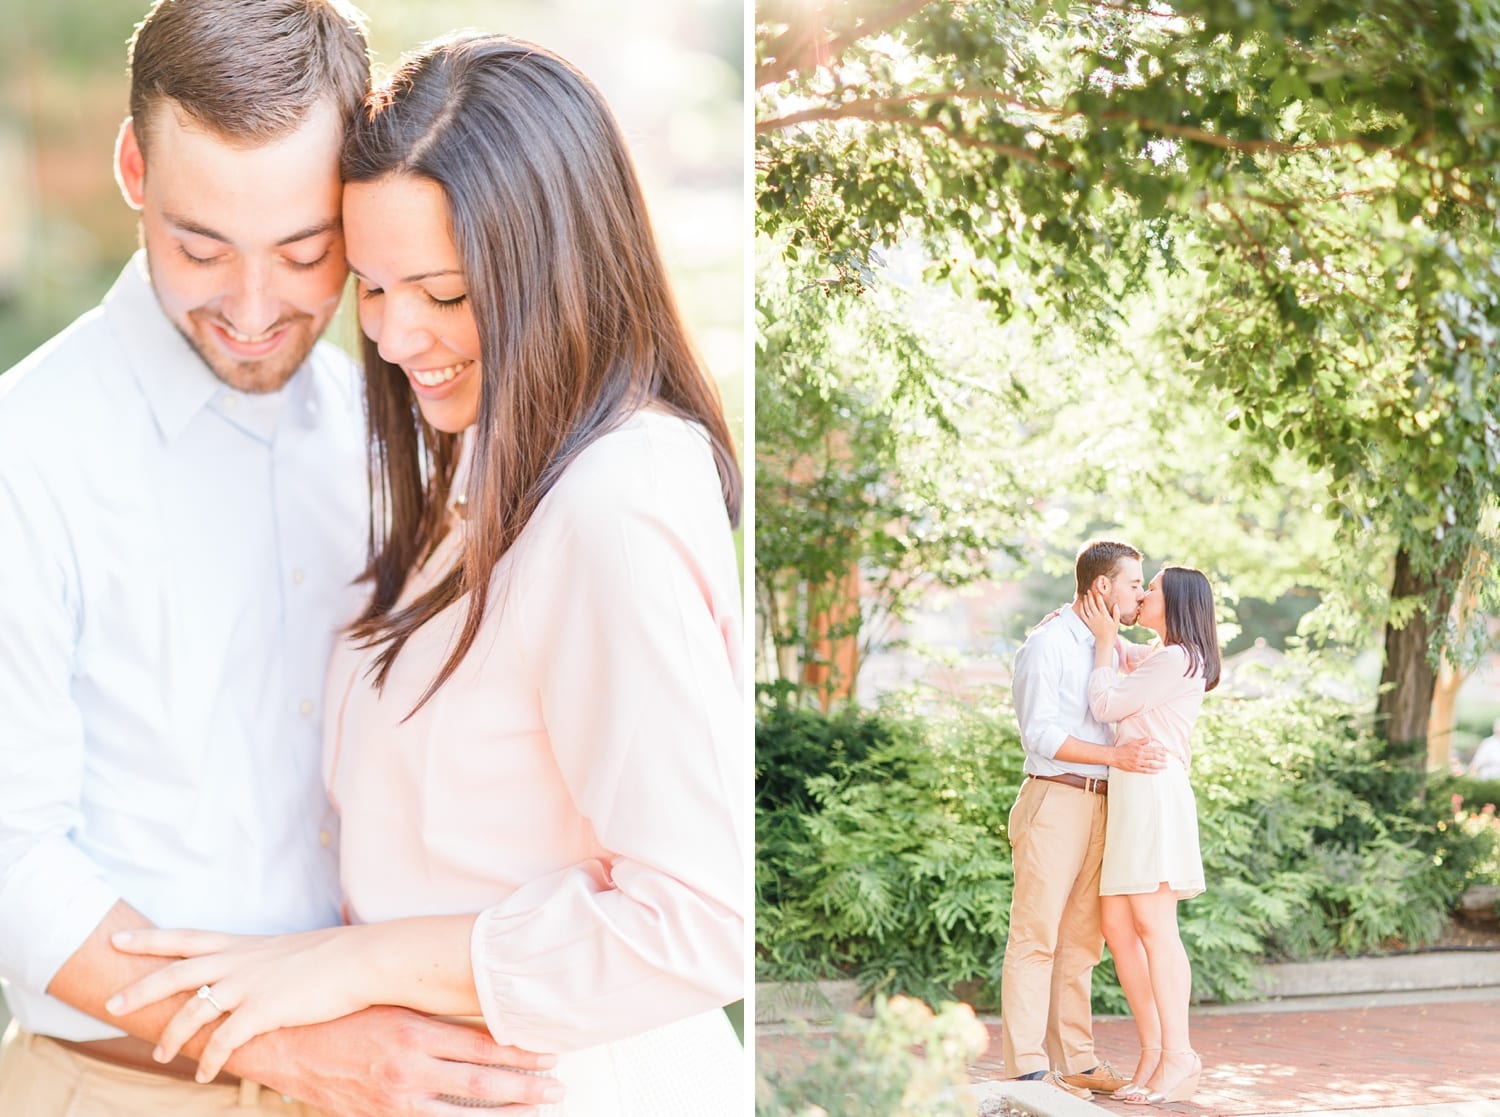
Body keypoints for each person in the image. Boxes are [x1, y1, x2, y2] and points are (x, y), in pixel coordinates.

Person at [104, 33, 747, 1112]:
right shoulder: (486, 468)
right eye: (374, 284)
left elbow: (698, 922)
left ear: (560, 265)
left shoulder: (611, 504)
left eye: (445, 294)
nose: (398, 336)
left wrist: (350, 964)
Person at [0, 2, 558, 1113]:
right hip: (116, 1088)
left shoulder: (387, 432)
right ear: (132, 171)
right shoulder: (26, 454)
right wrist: (288, 1047)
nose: (254, 310)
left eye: (308, 253)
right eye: (200, 247)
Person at [1000, 539, 1169, 1099]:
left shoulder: (1111, 645)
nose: (1139, 593)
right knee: (1035, 936)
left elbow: (1177, 662)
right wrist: (1114, 757)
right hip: (1055, 798)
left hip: (1104, 801)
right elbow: (1040, 734)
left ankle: (1075, 1059)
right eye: (1132, 584)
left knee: (1081, 943)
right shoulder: (1047, 644)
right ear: (1102, 586)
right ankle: (1026, 1064)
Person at [1079, 563, 1221, 1104]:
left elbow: (1106, 703)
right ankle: (1154, 1049)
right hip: (1134, 795)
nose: (1143, 595)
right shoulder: (1165, 656)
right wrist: (1112, 636)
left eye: (1151, 589)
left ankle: (1179, 1056)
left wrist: (1102, 646)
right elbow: (1130, 663)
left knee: (1155, 925)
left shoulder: (1178, 658)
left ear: (1175, 602)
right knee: (1118, 924)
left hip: (1154, 794)